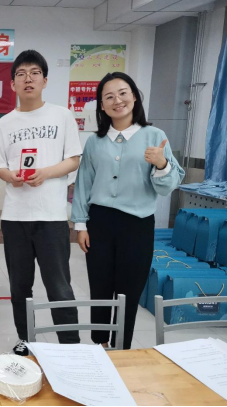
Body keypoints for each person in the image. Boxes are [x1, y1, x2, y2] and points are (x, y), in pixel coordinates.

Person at [72, 72, 185, 350]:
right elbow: (84, 183)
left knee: (129, 290)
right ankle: (99, 344)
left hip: (137, 224)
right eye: (109, 97)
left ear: (134, 96)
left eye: (123, 93)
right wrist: (80, 224)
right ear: (101, 105)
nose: (117, 100)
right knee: (100, 288)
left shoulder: (155, 136)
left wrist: (161, 164)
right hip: (99, 222)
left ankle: (121, 349)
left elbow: (166, 187)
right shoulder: (95, 141)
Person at [0, 50, 82, 356]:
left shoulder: (62, 116)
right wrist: (11, 176)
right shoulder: (4, 123)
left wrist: (45, 173)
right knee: (20, 286)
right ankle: (26, 338)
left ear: (45, 80)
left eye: (34, 73)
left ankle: (70, 345)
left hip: (52, 216)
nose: (28, 79)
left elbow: (73, 159)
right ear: (12, 84)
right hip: (15, 217)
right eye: (21, 74)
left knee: (59, 285)